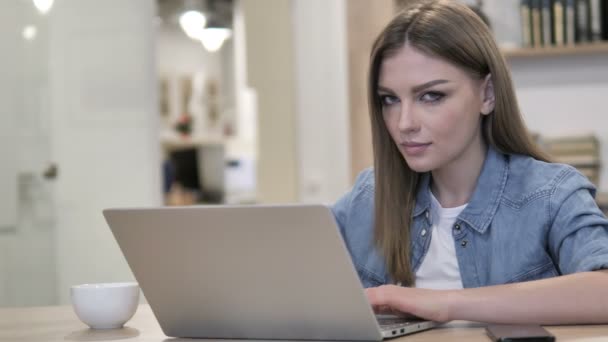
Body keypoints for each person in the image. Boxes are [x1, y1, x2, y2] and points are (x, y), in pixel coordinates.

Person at [332, 0, 608, 325]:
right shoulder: (370, 195)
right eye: (389, 99)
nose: (404, 122)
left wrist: (444, 304)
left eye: (431, 96)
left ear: (487, 94)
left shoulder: (551, 193)